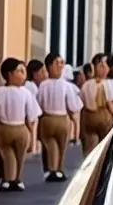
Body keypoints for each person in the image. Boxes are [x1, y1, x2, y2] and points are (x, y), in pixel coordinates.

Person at [0, 58, 40, 191]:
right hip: (8, 128)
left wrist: (32, 139)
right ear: (9, 74)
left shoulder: (25, 93)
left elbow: (31, 118)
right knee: (8, 154)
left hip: (17, 128)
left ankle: (13, 178)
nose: (23, 74)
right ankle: (10, 179)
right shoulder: (0, 92)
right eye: (20, 71)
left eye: (24, 71)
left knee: (18, 155)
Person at [35, 53, 82, 182]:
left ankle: (54, 169)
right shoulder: (65, 86)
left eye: (61, 63)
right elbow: (73, 106)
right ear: (49, 66)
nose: (60, 66)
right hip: (58, 118)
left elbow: (39, 103)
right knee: (57, 145)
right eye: (57, 63)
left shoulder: (44, 85)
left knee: (55, 145)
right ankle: (57, 169)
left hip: (50, 119)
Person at [79, 54, 113, 155]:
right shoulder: (108, 84)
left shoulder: (86, 85)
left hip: (87, 117)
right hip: (103, 116)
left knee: (89, 148)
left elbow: (81, 103)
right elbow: (111, 104)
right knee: (104, 148)